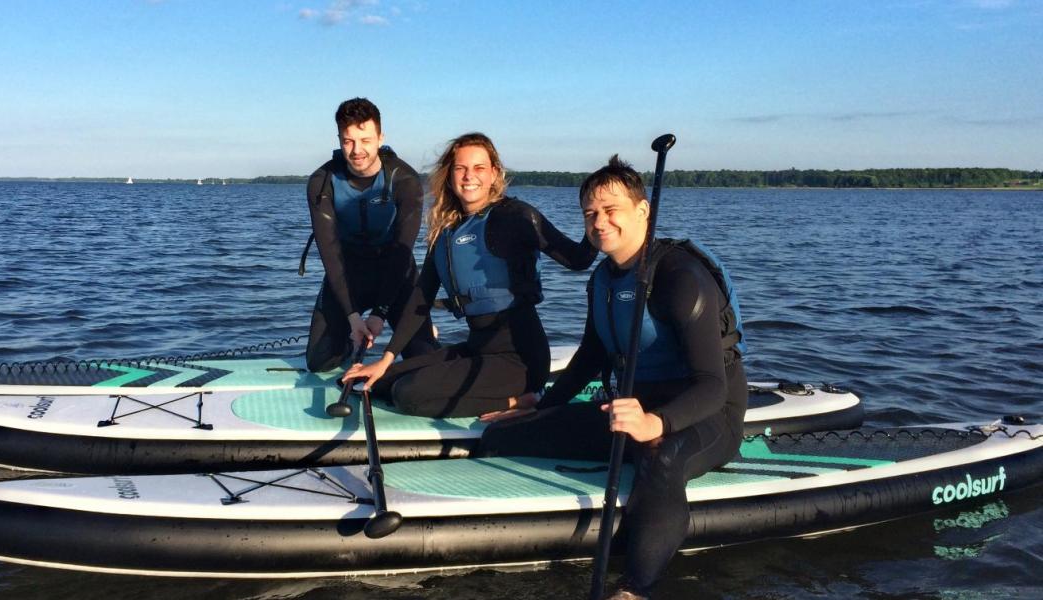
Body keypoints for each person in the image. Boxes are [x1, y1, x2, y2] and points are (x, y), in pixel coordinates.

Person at [478, 155, 749, 599]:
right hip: (629, 411)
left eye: (611, 210)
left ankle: (635, 588)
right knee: (501, 438)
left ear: (643, 211)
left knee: (659, 459)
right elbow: (590, 357)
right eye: (590, 213)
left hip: (703, 415)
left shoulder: (680, 277)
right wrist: (541, 402)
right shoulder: (602, 280)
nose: (599, 222)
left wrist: (655, 424)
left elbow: (713, 385)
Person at [342, 132, 596, 418]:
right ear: (450, 175)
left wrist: (594, 215)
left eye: (478, 168)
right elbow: (420, 298)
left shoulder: (516, 217)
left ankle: (523, 401)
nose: (468, 177)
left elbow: (578, 260)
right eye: (460, 168)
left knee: (408, 395)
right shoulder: (447, 229)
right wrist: (386, 359)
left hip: (519, 358)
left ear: (494, 173)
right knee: (378, 383)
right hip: (477, 349)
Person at [303, 98, 439, 372]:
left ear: (380, 138)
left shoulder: (405, 180)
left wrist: (380, 314)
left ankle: (424, 333)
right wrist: (353, 318)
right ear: (339, 140)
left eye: (365, 140)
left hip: (395, 273)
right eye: (348, 141)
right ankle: (349, 342)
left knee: (422, 361)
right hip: (347, 273)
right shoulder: (322, 182)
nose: (357, 150)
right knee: (319, 362)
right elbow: (330, 254)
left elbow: (403, 250)